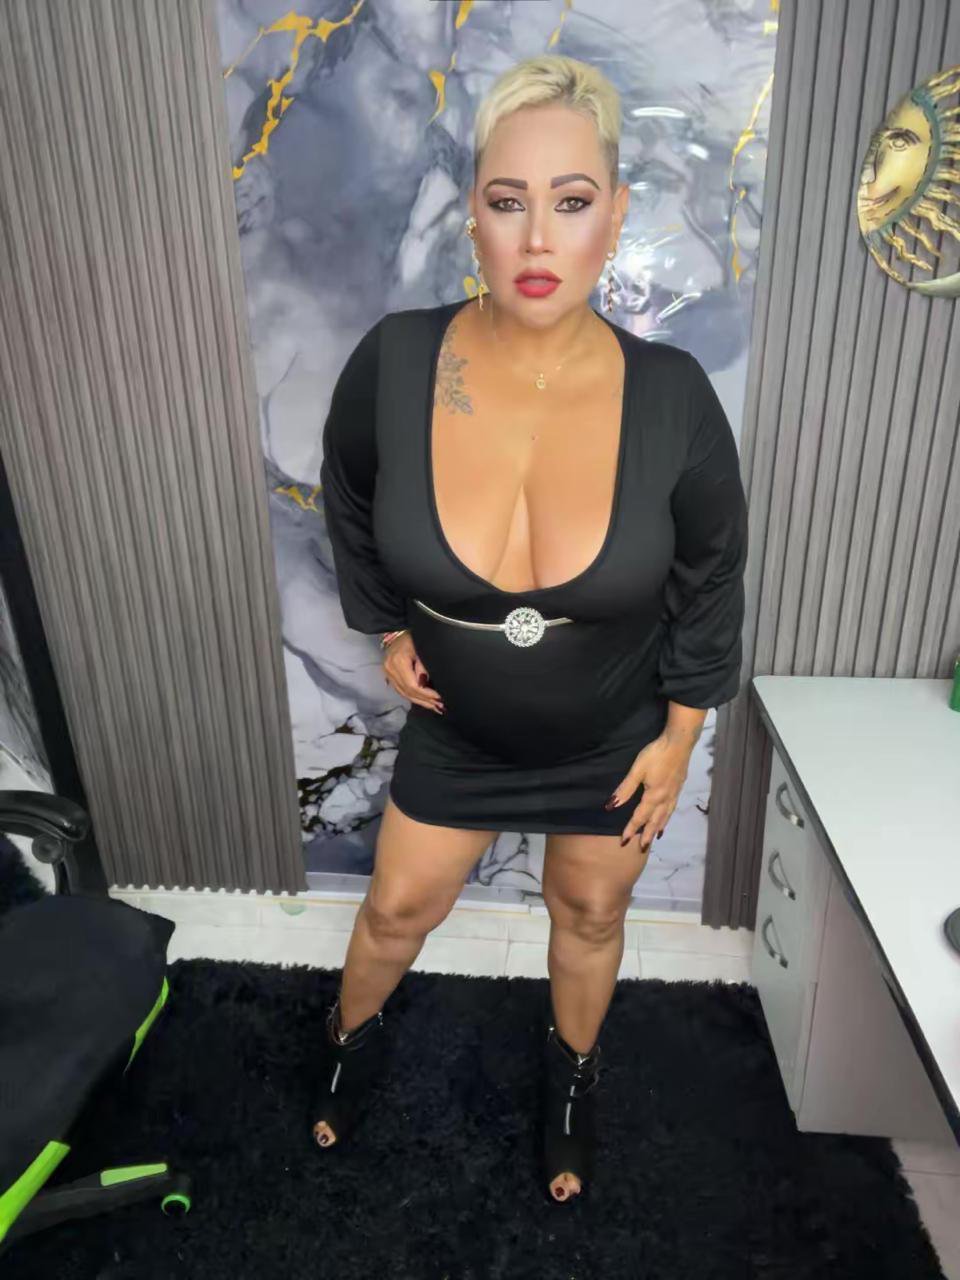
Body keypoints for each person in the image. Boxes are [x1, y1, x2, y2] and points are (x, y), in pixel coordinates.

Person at [312, 53, 749, 1205]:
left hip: (613, 735)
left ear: (616, 212)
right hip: (460, 734)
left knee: (590, 911)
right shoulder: (398, 360)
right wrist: (385, 626)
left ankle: (571, 1084)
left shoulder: (672, 394)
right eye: (509, 201)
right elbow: (347, 489)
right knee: (395, 908)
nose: (539, 237)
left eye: (572, 199)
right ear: (474, 214)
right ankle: (348, 1042)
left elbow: (712, 573)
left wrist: (680, 735)